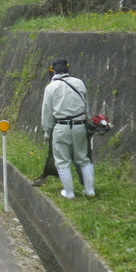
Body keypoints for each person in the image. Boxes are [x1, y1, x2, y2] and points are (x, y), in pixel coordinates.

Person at [40, 59, 95, 198]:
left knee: (62, 160)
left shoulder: (51, 87)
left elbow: (47, 111)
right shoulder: (79, 82)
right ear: (67, 69)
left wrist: (47, 130)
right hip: (80, 125)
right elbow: (85, 105)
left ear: (53, 71)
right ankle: (90, 191)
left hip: (61, 127)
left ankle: (69, 193)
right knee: (83, 159)